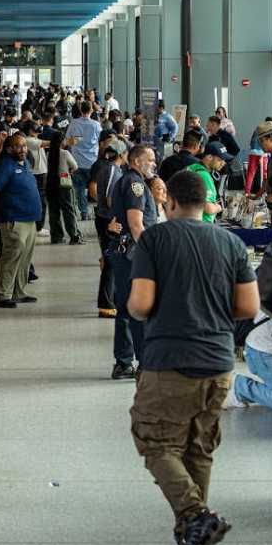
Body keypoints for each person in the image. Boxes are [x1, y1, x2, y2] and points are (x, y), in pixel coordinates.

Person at [125, 169, 259, 545]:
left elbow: (142, 304)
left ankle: (196, 516)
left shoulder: (155, 239)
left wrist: (136, 308)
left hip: (171, 360)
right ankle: (190, 534)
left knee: (155, 441)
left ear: (170, 203)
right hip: (219, 364)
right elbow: (249, 308)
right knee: (198, 447)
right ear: (206, 203)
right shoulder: (231, 243)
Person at [107, 144, 159, 379]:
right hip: (132, 255)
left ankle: (125, 361)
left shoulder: (128, 181)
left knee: (126, 309)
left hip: (125, 252)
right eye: (150, 159)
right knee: (137, 309)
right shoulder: (135, 184)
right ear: (137, 161)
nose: (154, 164)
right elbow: (136, 223)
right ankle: (142, 362)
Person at [0, 133, 42, 309]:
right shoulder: (4, 166)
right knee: (12, 255)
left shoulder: (24, 164)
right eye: (18, 146)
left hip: (29, 219)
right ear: (9, 149)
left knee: (25, 257)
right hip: (12, 219)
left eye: (24, 146)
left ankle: (19, 291)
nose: (23, 149)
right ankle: (3, 295)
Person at [92, 139, 127, 318]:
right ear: (121, 155)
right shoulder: (113, 170)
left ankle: (111, 298)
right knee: (111, 262)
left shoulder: (108, 168)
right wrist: (116, 218)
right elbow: (109, 197)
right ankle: (106, 302)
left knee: (111, 260)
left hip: (105, 217)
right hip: (109, 219)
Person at [66, 101, 102, 220]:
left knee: (80, 189)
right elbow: (101, 141)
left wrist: (77, 142)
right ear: (91, 111)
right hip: (92, 162)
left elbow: (68, 141)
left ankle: (84, 212)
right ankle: (99, 210)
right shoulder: (96, 125)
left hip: (77, 161)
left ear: (81, 110)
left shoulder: (73, 123)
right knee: (95, 187)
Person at [45, 130, 82, 245]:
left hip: (51, 183)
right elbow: (75, 166)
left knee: (53, 211)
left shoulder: (48, 154)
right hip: (64, 182)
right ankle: (74, 236)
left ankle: (56, 236)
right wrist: (69, 171)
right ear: (62, 141)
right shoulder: (65, 153)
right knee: (69, 210)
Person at [187, 141, 230, 223]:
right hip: (203, 226)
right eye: (220, 160)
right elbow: (209, 209)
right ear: (209, 157)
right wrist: (219, 207)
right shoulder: (204, 176)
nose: (223, 163)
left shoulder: (192, 167)